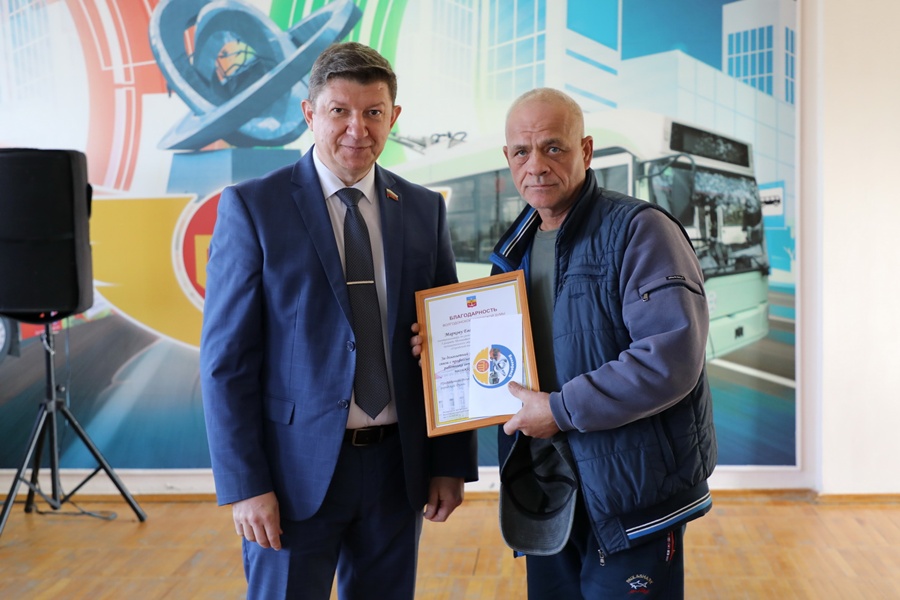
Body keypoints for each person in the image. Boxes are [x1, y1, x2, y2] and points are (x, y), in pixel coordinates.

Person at [199, 42, 478, 600]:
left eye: (374, 112)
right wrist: (246, 485)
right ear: (310, 114)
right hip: (291, 475)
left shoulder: (424, 209)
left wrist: (450, 462)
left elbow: (450, 344)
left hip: (397, 470)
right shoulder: (253, 208)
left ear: (394, 117)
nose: (358, 129)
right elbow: (226, 363)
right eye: (339, 111)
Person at [493, 88, 717, 598]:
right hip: (549, 483)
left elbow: (670, 358)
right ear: (508, 158)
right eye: (522, 151)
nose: (536, 165)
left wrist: (560, 409)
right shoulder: (513, 249)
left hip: (631, 492)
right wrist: (443, 357)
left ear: (586, 150)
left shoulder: (640, 230)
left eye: (553, 147)